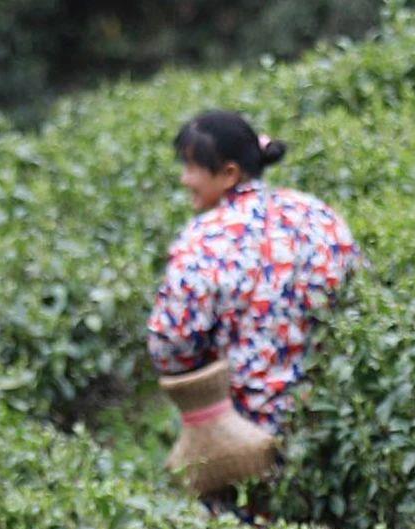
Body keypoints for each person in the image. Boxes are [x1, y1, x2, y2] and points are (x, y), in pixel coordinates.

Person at [147, 110, 360, 437]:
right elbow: (357, 293)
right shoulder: (317, 214)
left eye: (191, 168)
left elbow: (172, 343)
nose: (184, 180)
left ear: (229, 173)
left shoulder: (205, 237)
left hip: (241, 430)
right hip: (328, 418)